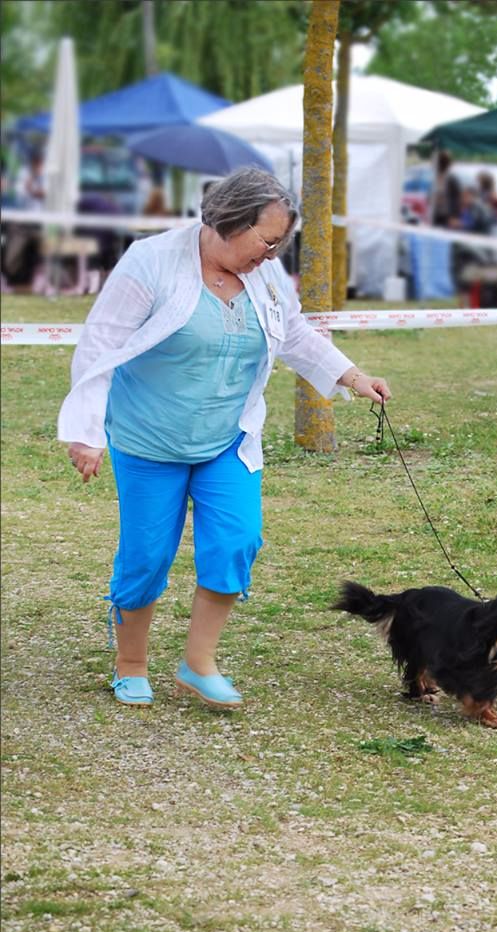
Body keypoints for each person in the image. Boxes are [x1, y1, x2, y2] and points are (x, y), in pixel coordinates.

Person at [58, 166, 391, 710]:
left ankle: (198, 663)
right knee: (145, 557)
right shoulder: (151, 262)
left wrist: (352, 376)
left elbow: (296, 332)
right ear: (227, 221)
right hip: (149, 439)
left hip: (226, 438)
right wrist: (85, 432)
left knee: (237, 540)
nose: (271, 253)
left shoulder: (264, 274)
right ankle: (131, 663)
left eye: (280, 243)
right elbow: (101, 345)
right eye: (266, 239)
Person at [429, 150, 462, 228]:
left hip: (448, 217)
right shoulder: (435, 178)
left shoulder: (452, 179)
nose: (431, 165)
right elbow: (430, 197)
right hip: (436, 214)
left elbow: (457, 199)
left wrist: (454, 216)